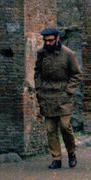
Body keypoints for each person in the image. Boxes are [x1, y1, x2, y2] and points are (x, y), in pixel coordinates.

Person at [34, 27, 82, 169]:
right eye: (45, 41)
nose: (47, 43)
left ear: (57, 39)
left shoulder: (68, 54)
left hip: (63, 95)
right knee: (50, 128)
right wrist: (39, 89)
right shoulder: (41, 54)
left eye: (50, 41)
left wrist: (68, 91)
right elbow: (37, 72)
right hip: (47, 95)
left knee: (65, 125)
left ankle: (71, 152)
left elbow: (77, 75)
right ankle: (56, 158)